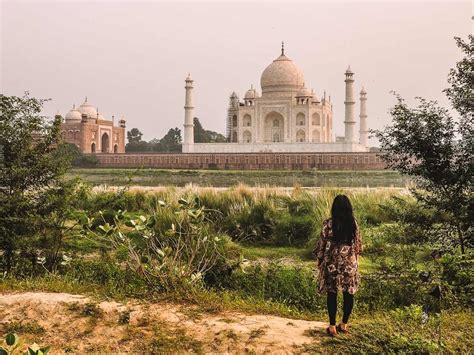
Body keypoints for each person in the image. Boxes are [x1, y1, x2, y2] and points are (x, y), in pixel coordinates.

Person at [315, 194, 362, 336]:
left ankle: (332, 327)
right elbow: (358, 246)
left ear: (334, 208)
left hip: (332, 264)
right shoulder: (353, 223)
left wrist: (319, 260)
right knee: (349, 294)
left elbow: (322, 245)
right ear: (349, 208)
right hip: (349, 264)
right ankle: (344, 324)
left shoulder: (328, 224)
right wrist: (354, 260)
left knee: (332, 294)